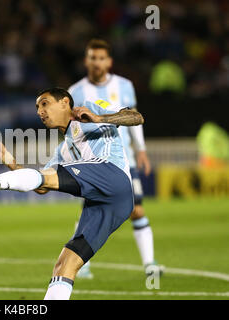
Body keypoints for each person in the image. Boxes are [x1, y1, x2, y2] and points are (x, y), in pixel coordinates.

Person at [0, 87, 144, 300]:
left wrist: (99, 117)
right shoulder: (63, 152)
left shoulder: (90, 108)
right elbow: (41, 186)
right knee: (64, 265)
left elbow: (136, 117)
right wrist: (7, 158)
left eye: (45, 103)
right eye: (37, 107)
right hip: (111, 204)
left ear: (65, 102)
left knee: (46, 175)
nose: (39, 111)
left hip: (113, 176)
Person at [68, 39, 162, 278]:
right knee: (90, 208)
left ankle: (150, 264)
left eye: (101, 58)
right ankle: (81, 263)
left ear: (108, 61)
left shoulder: (124, 86)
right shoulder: (75, 91)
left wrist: (140, 149)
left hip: (124, 159)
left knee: (136, 209)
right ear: (86, 61)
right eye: (92, 58)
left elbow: (132, 118)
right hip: (93, 160)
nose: (96, 62)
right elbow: (72, 128)